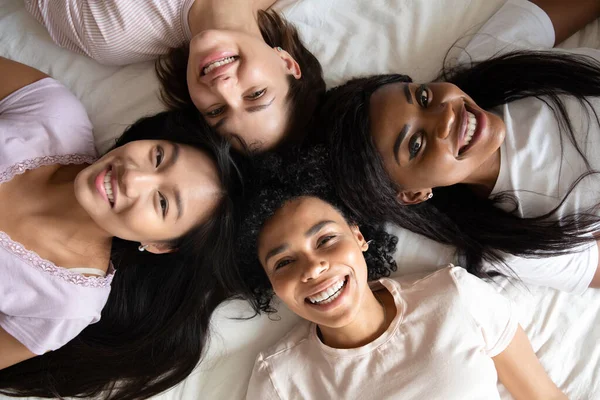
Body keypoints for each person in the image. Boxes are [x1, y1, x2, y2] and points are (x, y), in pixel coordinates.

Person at [231, 147, 566, 400]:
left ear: (359, 236)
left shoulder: (456, 296)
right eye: (284, 263)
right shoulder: (280, 381)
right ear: (272, 284)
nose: (314, 267)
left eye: (326, 239)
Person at [0, 57, 243, 399]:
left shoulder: (66, 305)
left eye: (162, 203)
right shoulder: (52, 113)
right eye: (158, 157)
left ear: (158, 244)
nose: (133, 177)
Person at [316, 0, 600, 293]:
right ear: (414, 194)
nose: (447, 115)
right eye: (416, 144)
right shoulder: (516, 243)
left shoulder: (482, 60)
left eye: (423, 97)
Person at [25, 0, 325, 150]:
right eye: (256, 94)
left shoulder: (112, 31)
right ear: (287, 62)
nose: (223, 87)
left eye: (216, 110)